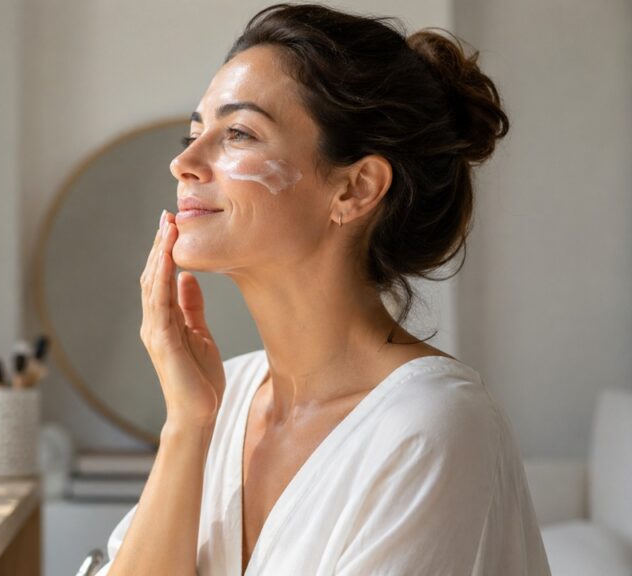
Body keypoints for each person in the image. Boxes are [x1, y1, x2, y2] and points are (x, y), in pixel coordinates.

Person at [97, 3, 550, 575]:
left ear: (355, 189)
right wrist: (187, 424)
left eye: (237, 132)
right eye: (195, 132)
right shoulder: (222, 396)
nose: (183, 161)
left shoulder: (432, 428)